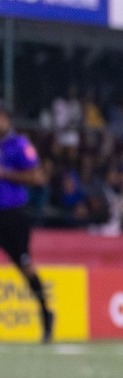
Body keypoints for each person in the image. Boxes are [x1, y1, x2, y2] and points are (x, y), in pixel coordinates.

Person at [0, 100, 55, 342]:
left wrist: (4, 173)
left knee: (24, 265)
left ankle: (46, 314)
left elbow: (37, 177)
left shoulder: (19, 145)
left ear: (6, 119)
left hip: (12, 214)